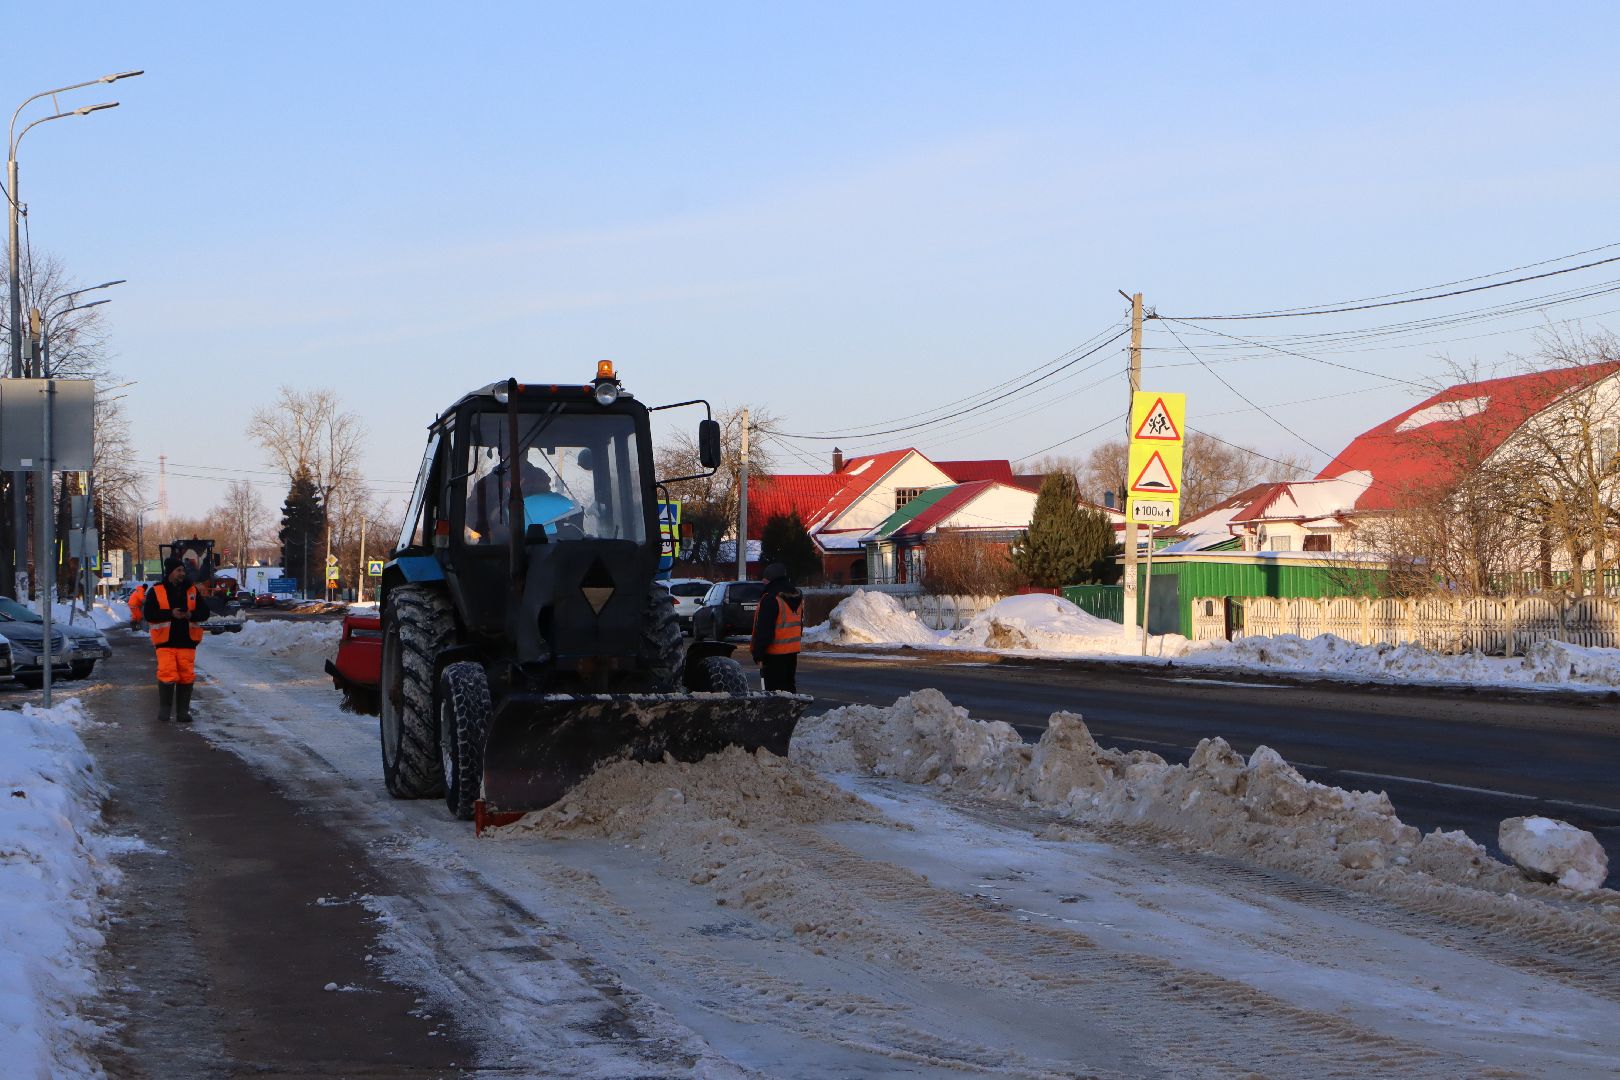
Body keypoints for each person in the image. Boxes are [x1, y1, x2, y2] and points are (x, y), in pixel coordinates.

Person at [144, 557, 211, 722]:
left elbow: (205, 613)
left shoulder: (192, 591)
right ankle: (165, 711)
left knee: (186, 675)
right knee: (167, 673)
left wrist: (190, 615)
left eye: (183, 570)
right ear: (170, 572)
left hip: (187, 641)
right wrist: (170, 614)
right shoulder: (156, 590)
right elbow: (149, 615)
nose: (182, 573)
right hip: (165, 642)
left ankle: (182, 713)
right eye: (178, 570)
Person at [750, 562, 803, 692]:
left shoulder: (771, 599)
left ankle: (779, 712)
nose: (763, 582)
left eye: (765, 579)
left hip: (774, 654)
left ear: (771, 580)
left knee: (775, 692)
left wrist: (759, 653)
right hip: (792, 651)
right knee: (789, 687)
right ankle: (790, 711)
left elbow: (764, 629)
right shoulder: (797, 597)